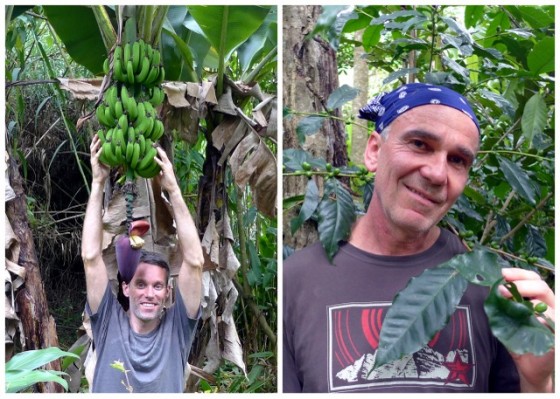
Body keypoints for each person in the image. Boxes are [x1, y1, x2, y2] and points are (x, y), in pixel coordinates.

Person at [283, 83, 555, 393]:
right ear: (374, 151)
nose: (437, 174)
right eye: (419, 144)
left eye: (457, 161)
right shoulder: (295, 281)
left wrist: (539, 382)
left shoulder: (493, 286)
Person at [81, 134, 204, 392]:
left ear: (168, 292)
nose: (149, 293)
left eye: (158, 286)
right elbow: (91, 258)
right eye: (141, 284)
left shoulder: (177, 330)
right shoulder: (107, 322)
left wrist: (173, 190)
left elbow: (194, 262)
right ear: (126, 288)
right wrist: (97, 183)